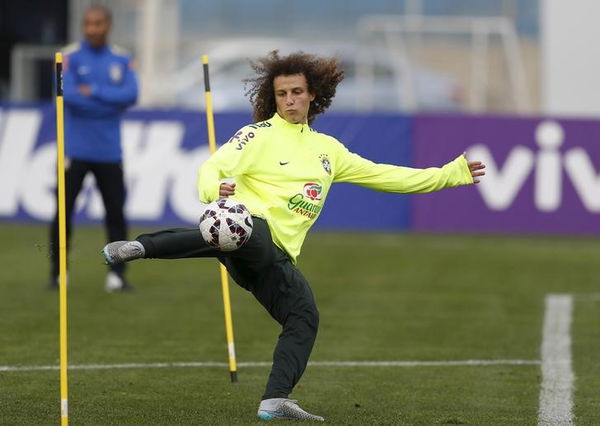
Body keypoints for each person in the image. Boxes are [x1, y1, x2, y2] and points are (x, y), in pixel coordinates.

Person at [102, 51, 485, 421]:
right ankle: (139, 247)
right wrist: (212, 191)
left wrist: (452, 173)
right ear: (274, 97)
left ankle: (274, 400)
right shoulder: (257, 135)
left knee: (303, 316)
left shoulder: (328, 151)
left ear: (312, 94)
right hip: (249, 230)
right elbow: (212, 168)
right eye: (282, 94)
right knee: (240, 228)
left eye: (297, 92)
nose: (290, 100)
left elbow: (388, 176)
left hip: (274, 259)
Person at [48, 5, 138, 291]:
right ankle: (57, 273)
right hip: (75, 150)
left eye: (98, 23)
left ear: (108, 25)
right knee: (63, 213)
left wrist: (95, 91)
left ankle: (118, 275)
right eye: (88, 23)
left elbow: (131, 94)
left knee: (116, 215)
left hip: (110, 152)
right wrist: (110, 102)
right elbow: (70, 97)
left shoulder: (122, 58)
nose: (92, 29)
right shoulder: (68, 56)